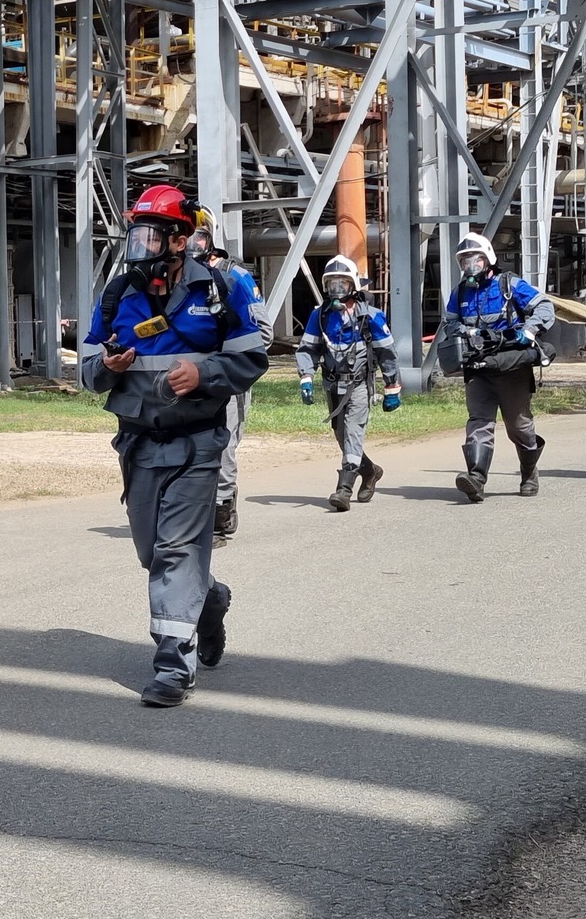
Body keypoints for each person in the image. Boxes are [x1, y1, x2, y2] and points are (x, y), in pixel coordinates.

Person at [80, 184, 270, 708]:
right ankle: (210, 601)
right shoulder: (118, 294)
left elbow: (254, 359)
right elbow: (87, 373)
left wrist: (204, 371)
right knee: (151, 553)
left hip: (196, 444)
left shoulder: (220, 289)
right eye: (135, 235)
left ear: (180, 239)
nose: (140, 246)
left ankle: (173, 665)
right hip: (138, 446)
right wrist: (107, 367)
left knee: (177, 550)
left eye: (151, 236)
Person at [444, 232, 555, 502]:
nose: (469, 267)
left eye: (475, 261)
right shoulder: (460, 293)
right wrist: (467, 333)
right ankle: (477, 478)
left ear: (488, 260)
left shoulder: (509, 284)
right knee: (479, 423)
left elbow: (545, 306)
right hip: (478, 369)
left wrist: (528, 331)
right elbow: (449, 324)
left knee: (519, 426)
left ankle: (529, 472)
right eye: (465, 262)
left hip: (511, 366)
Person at [188, 211, 274, 546]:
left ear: (209, 239)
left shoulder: (233, 276)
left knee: (222, 446)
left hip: (225, 379)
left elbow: (263, 334)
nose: (190, 244)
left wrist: (223, 361)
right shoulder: (178, 280)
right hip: (188, 379)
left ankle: (222, 514)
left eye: (198, 236)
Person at [295, 255, 402, 511]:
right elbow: (308, 349)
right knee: (342, 437)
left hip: (359, 386)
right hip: (332, 386)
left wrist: (392, 388)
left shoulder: (371, 317)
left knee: (353, 432)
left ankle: (343, 490)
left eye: (342, 284)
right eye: (332, 285)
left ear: (353, 285)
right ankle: (370, 471)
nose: (337, 290)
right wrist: (306, 377)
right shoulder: (319, 316)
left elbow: (388, 354)